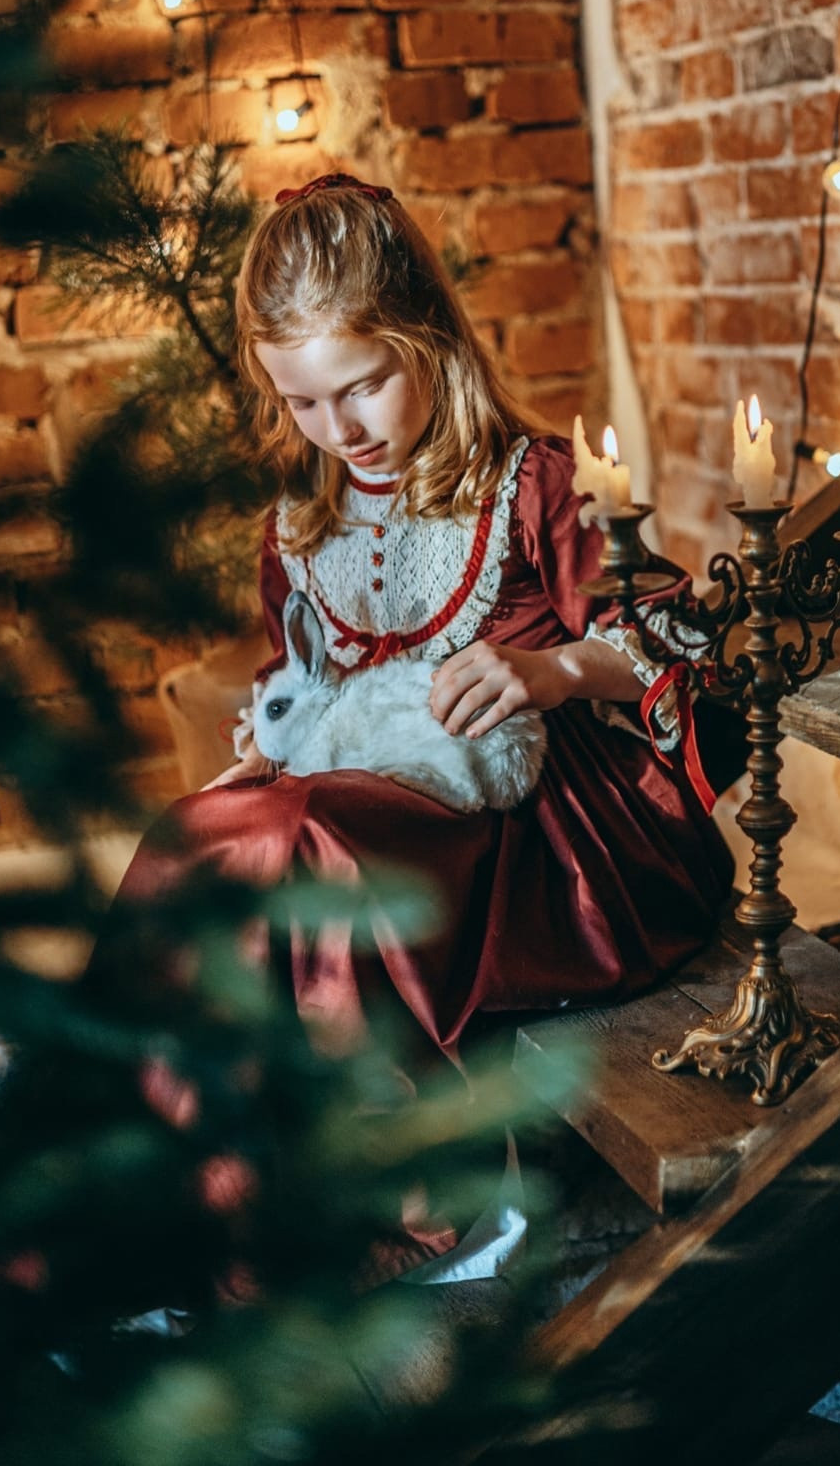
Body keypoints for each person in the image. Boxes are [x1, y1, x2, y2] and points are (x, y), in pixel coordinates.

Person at [104, 174, 735, 1272]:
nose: (334, 427)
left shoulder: (530, 484)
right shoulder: (298, 528)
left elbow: (677, 639)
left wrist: (553, 668)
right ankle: (160, 1199)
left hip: (542, 834)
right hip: (359, 807)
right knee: (193, 839)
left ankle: (433, 1196)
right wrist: (264, 742)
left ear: (428, 343)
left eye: (360, 386)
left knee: (302, 837)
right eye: (298, 401)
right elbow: (294, 684)